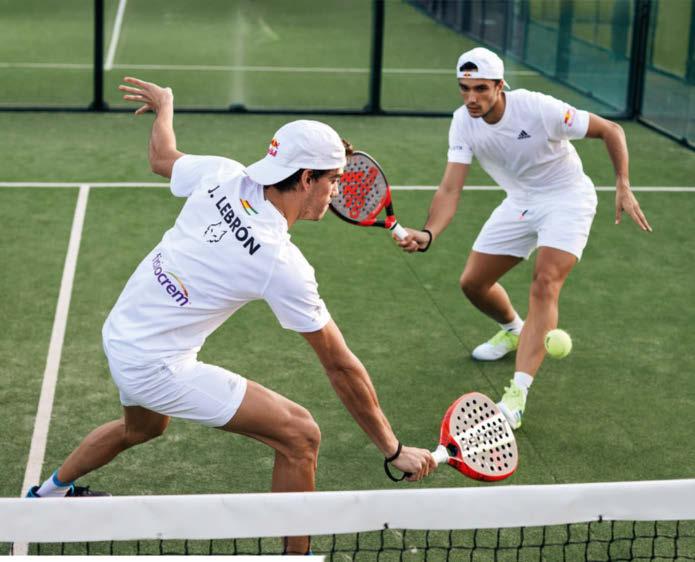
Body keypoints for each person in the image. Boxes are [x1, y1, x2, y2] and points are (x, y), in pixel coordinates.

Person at [27, 77, 436, 554]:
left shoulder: (223, 173)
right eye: (334, 180)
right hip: (155, 363)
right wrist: (393, 448)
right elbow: (340, 365)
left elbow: (161, 158)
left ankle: (47, 495)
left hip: (123, 330)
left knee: (143, 428)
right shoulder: (279, 261)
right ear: (307, 178)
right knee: (301, 435)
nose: (338, 191)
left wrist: (165, 106)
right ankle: (297, 558)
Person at [397, 48, 651, 430]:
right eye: (464, 88)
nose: (471, 98)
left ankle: (516, 395)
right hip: (520, 201)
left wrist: (623, 183)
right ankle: (515, 329)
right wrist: (430, 231)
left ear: (500, 86)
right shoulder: (463, 122)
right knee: (473, 283)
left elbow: (611, 130)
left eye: (480, 88)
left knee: (545, 282)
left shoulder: (537, 108)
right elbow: (450, 188)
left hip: (567, 199)